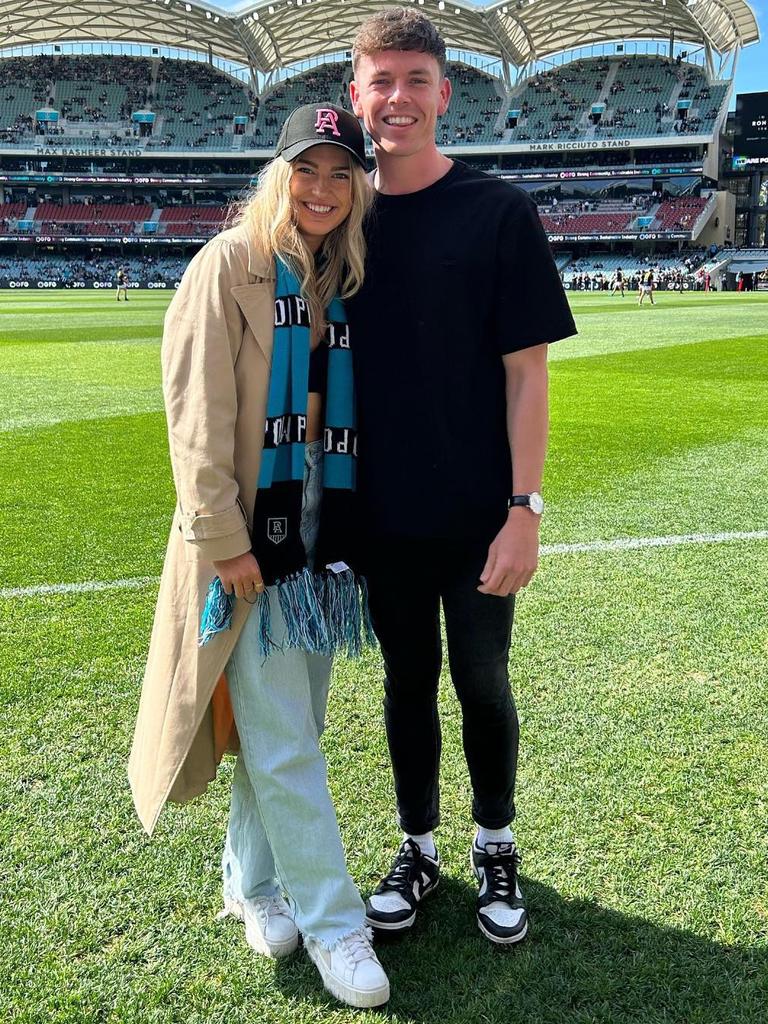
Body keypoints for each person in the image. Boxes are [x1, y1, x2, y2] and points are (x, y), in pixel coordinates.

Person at [128, 102, 391, 1009]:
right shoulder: (226, 268)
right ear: (277, 176)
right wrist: (228, 545)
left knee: (291, 732)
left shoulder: (339, 276)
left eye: (340, 174)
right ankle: (334, 923)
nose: (322, 190)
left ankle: (251, 882)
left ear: (357, 187)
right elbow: (195, 425)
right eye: (306, 171)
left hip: (321, 530)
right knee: (283, 740)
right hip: (251, 535)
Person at [347, 8, 576, 946]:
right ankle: (419, 846)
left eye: (414, 80)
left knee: (482, 679)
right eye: (380, 82)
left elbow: (528, 374)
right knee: (405, 684)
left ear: (445, 93)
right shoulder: (337, 211)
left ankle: (495, 845)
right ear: (355, 97)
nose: (397, 99)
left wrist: (524, 509)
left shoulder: (497, 210)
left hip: (480, 509)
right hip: (379, 515)